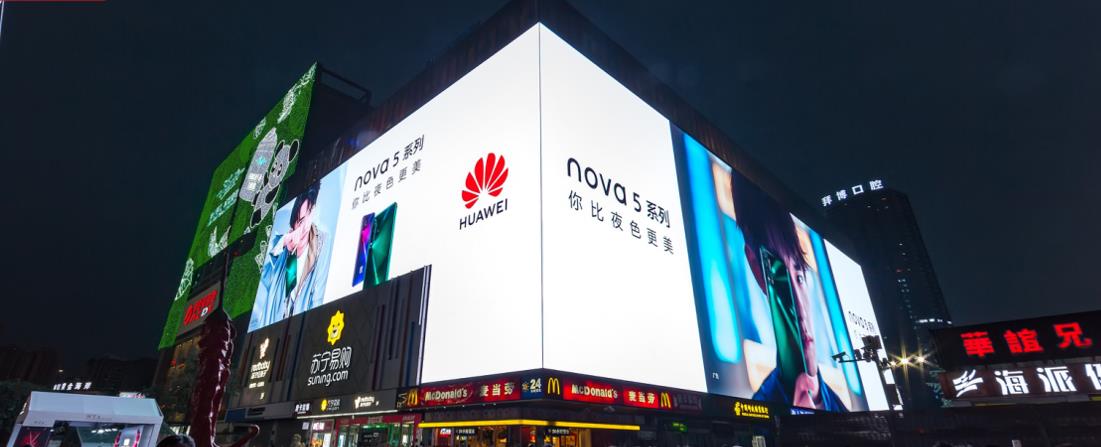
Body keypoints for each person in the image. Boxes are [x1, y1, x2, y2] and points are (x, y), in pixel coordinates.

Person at [730, 172, 848, 412]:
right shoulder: (761, 411)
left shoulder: (840, 407)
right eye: (780, 275)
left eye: (799, 275)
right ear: (756, 268)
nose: (800, 310)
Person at [250, 184, 330, 330]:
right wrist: (284, 243)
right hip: (273, 328)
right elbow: (261, 277)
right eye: (298, 221)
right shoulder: (281, 245)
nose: (301, 227)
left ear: (313, 211)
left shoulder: (322, 242)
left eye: (304, 219)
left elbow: (318, 296)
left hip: (301, 328)